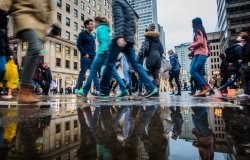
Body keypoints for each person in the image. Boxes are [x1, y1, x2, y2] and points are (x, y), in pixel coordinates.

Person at [0, 0, 60, 103]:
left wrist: (54, 23)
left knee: (35, 51)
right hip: (24, 15)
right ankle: (24, 89)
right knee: (35, 47)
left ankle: (26, 90)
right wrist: (2, 9)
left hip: (41, 24)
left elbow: (51, 7)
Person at [100, 0, 158, 98]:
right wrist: (129, 37)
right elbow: (133, 25)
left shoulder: (117, 2)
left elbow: (119, 19)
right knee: (136, 65)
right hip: (129, 39)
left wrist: (120, 36)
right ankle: (151, 88)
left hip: (121, 37)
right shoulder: (127, 5)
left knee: (109, 63)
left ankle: (104, 91)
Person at [188, 17, 211, 97]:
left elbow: (200, 42)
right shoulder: (202, 31)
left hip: (200, 54)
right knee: (199, 73)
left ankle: (205, 87)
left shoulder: (198, 31)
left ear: (195, 24)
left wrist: (190, 46)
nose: (191, 25)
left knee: (192, 71)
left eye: (192, 23)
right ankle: (202, 91)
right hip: (203, 54)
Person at [75, 19, 99, 95]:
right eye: (91, 24)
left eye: (93, 24)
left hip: (92, 58)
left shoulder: (92, 36)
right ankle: (77, 89)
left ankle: (99, 90)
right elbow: (78, 44)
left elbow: (93, 47)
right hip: (85, 58)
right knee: (82, 73)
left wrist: (94, 56)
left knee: (94, 74)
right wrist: (84, 53)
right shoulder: (82, 34)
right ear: (87, 25)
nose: (93, 25)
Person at [143, 23, 165, 94]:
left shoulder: (147, 36)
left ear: (149, 28)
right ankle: (157, 90)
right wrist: (159, 55)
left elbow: (146, 48)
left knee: (148, 73)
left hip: (151, 57)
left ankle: (150, 90)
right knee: (156, 75)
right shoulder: (157, 38)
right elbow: (162, 49)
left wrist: (145, 55)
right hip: (158, 57)